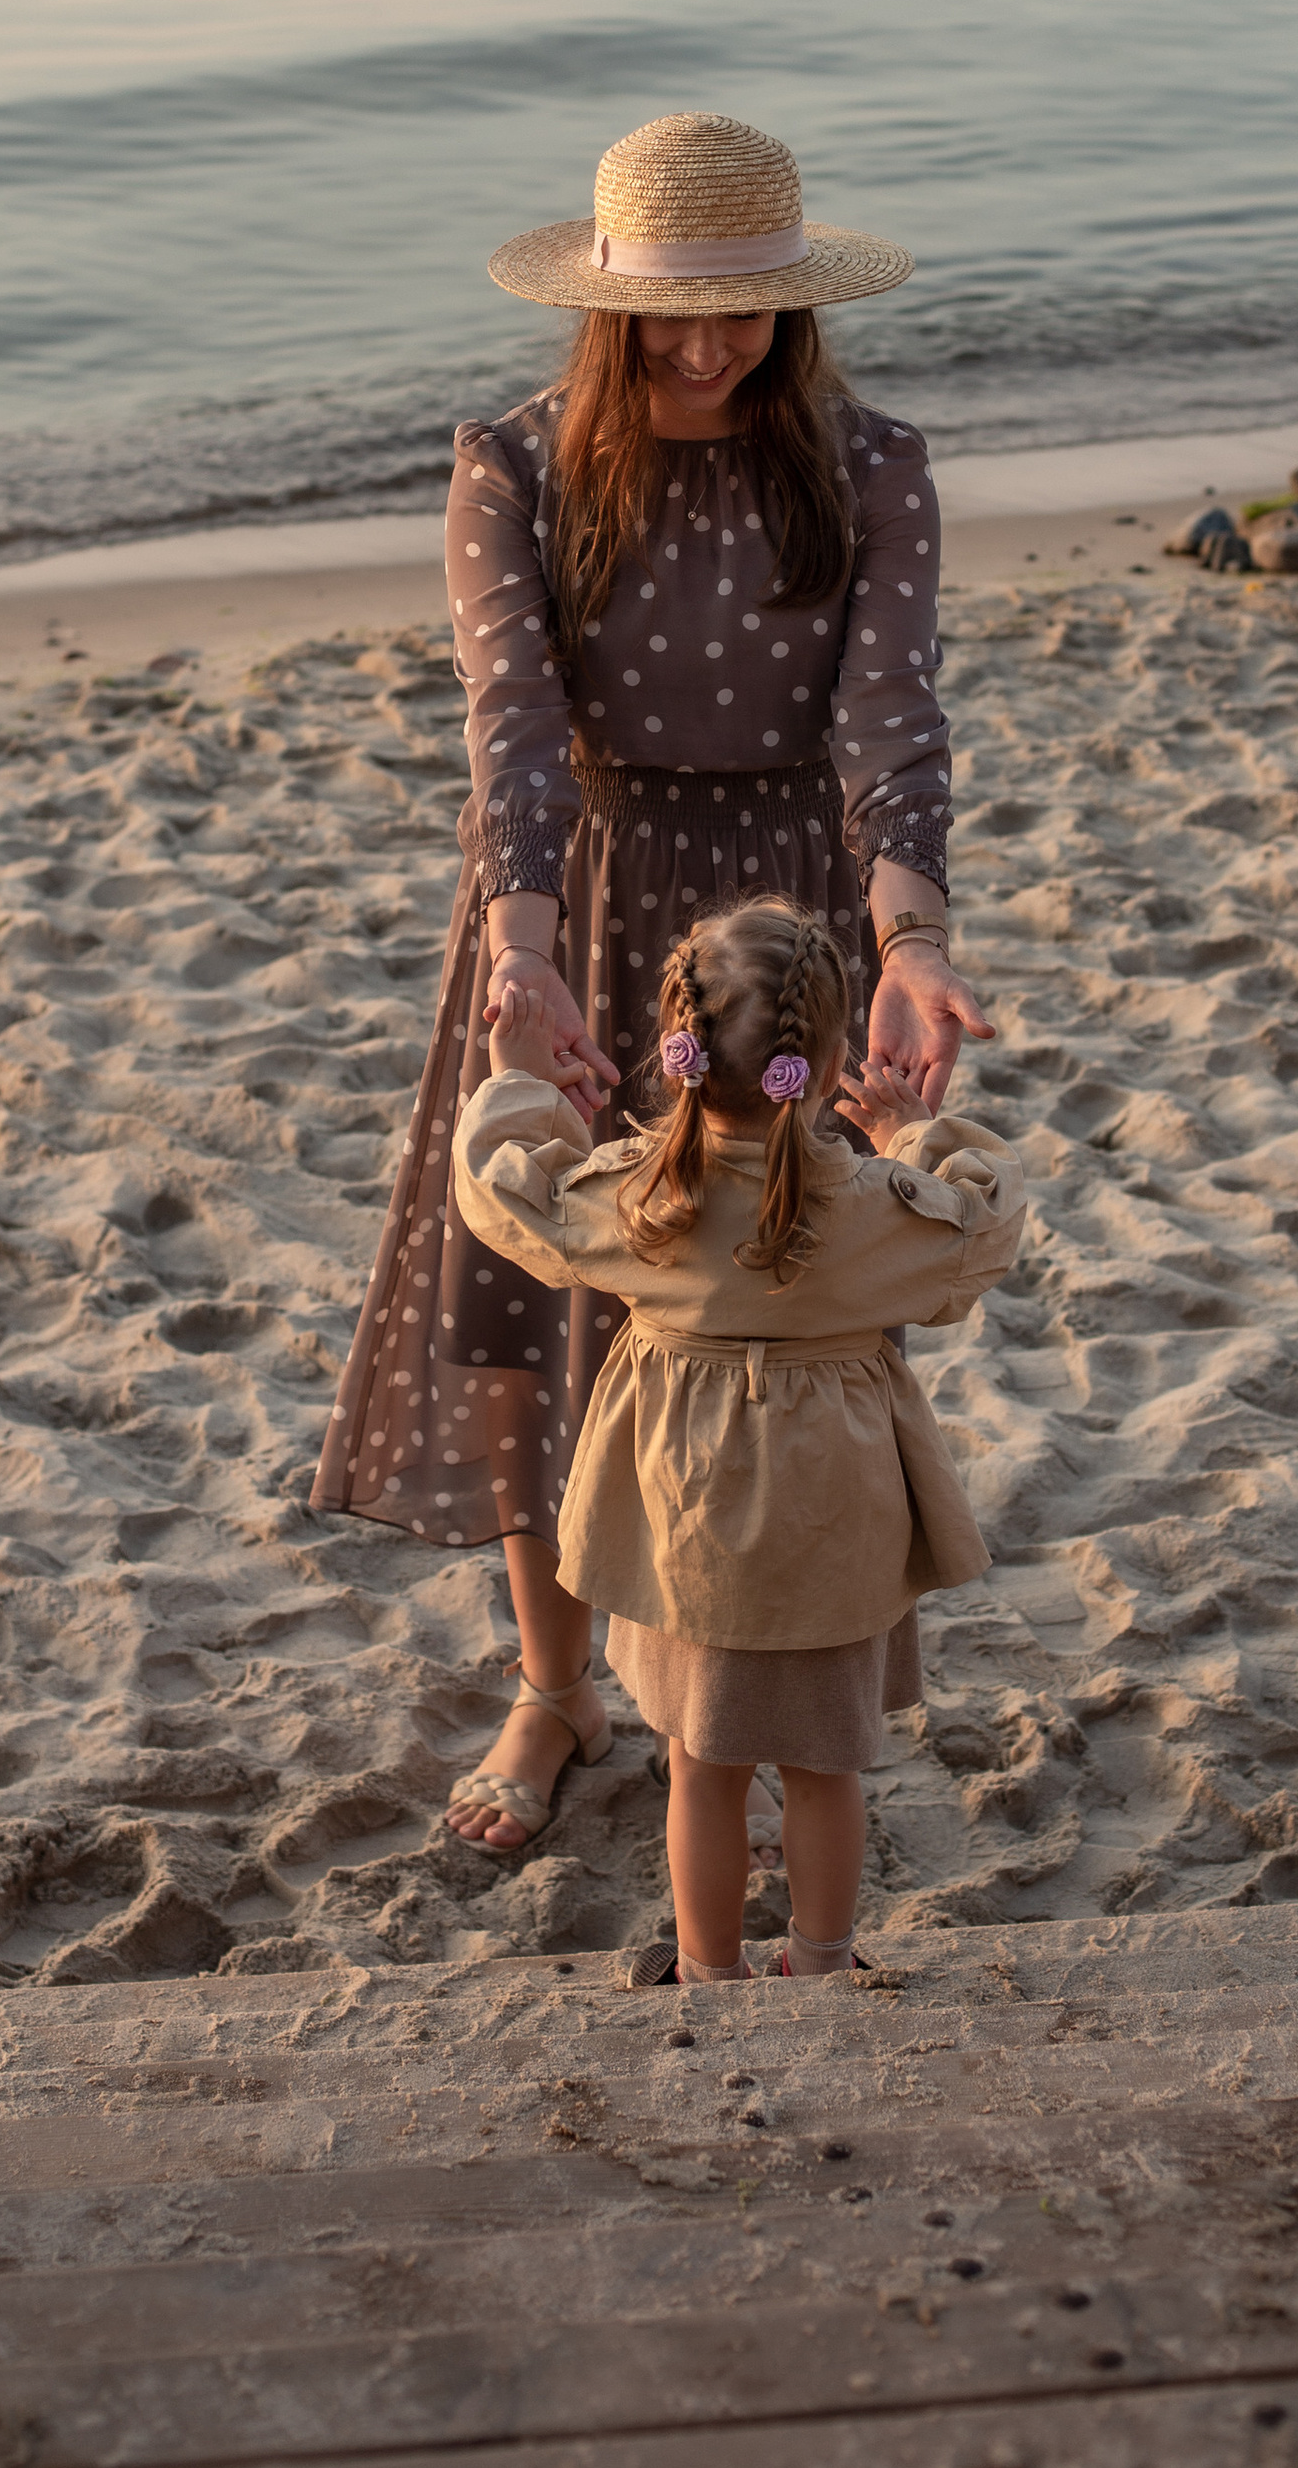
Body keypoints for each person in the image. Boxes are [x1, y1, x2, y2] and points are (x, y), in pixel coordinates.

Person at [310, 108, 993, 1855]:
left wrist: (911, 947)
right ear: (605, 308)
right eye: (672, 314)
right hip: (587, 905)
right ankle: (556, 1688)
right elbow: (516, 737)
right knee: (549, 1306)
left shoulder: (875, 461)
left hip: (789, 928)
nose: (706, 348)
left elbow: (890, 722)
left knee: (765, 1307)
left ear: (798, 298)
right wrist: (523, 956)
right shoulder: (516, 466)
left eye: (745, 309)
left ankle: (754, 1688)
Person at [459, 898, 1023, 1977]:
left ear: (677, 1049)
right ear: (818, 1057)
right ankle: (819, 1958)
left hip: (689, 1527)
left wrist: (519, 1075)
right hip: (835, 1528)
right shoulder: (875, 1207)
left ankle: (709, 1969)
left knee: (702, 1764)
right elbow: (985, 1222)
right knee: (823, 1769)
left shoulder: (636, 1195)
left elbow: (506, 1192)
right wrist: (912, 1133)